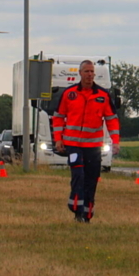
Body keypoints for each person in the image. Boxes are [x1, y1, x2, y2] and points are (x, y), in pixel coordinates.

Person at [51, 60, 120, 223]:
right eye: (86, 71)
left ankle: (87, 214)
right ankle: (76, 208)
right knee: (78, 175)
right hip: (73, 145)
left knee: (91, 178)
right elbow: (58, 117)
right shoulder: (69, 93)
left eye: (92, 72)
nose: (90, 74)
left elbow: (112, 120)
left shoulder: (103, 95)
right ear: (80, 73)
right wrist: (58, 139)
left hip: (94, 146)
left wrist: (115, 141)